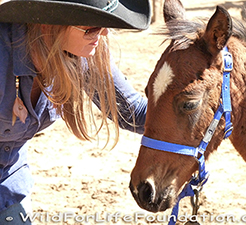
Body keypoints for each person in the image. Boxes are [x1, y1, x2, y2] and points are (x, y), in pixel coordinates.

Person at [0, 0, 151, 223]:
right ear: (48, 26)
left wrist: (204, 112)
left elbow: (133, 113)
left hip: (9, 182)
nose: (105, 33)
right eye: (92, 27)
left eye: (104, 23)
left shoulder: (84, 53)